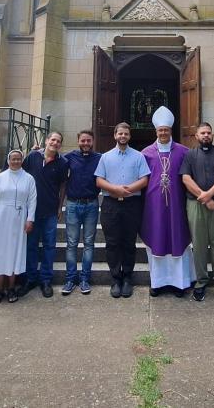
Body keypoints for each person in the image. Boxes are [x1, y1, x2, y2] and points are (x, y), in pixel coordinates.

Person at [140, 106, 194, 298]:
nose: (163, 132)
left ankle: (180, 283)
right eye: (160, 130)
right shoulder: (146, 153)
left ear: (171, 130)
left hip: (177, 206)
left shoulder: (184, 152)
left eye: (166, 129)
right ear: (156, 131)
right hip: (154, 208)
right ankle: (158, 283)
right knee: (157, 241)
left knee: (177, 240)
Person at [95, 122, 150, 298]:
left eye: (126, 134)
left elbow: (144, 179)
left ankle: (127, 278)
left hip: (132, 205)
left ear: (129, 136)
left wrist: (128, 190)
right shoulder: (105, 157)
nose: (123, 136)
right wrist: (115, 189)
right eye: (120, 133)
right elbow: (99, 180)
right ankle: (115, 278)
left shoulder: (138, 156)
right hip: (111, 204)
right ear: (115, 135)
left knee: (128, 242)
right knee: (112, 242)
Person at [180, 122, 214, 302]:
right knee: (199, 243)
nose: (206, 136)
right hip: (195, 204)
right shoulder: (189, 155)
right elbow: (186, 178)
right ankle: (201, 281)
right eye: (202, 133)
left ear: (213, 135)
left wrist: (210, 195)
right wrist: (204, 197)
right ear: (196, 136)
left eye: (209, 133)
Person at [0, 149, 37, 304]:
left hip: (19, 220)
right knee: (0, 252)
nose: (16, 161)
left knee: (14, 252)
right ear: (8, 160)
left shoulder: (29, 179)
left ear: (22, 160)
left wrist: (30, 220)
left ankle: (11, 288)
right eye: (13, 159)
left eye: (19, 159)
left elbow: (32, 201)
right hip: (1, 218)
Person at [16, 131, 69, 298]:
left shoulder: (63, 162)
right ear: (46, 141)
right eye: (52, 139)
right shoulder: (32, 156)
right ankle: (30, 279)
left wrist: (60, 207)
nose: (55, 143)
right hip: (30, 211)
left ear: (60, 145)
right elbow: (17, 170)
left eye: (58, 141)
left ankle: (46, 279)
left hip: (50, 211)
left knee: (49, 246)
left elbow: (62, 186)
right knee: (31, 245)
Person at [61, 130, 102, 296]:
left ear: (92, 142)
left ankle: (85, 278)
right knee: (71, 243)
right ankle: (70, 278)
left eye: (88, 141)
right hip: (72, 205)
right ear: (78, 141)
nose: (86, 143)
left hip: (91, 204)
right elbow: (51, 158)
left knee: (89, 243)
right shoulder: (69, 157)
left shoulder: (99, 158)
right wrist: (37, 151)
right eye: (83, 140)